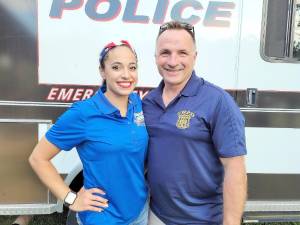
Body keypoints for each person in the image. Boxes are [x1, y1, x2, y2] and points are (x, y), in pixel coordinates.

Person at [29, 40, 149, 225]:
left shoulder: (137, 104)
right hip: (103, 217)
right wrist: (72, 199)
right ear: (102, 71)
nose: (126, 75)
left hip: (139, 212)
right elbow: (38, 158)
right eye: (116, 67)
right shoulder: (83, 113)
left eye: (132, 67)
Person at [143, 21, 247, 225]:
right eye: (165, 52)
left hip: (204, 219)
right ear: (156, 57)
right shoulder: (148, 102)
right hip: (156, 216)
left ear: (194, 57)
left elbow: (235, 168)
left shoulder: (217, 101)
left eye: (182, 52)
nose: (173, 61)